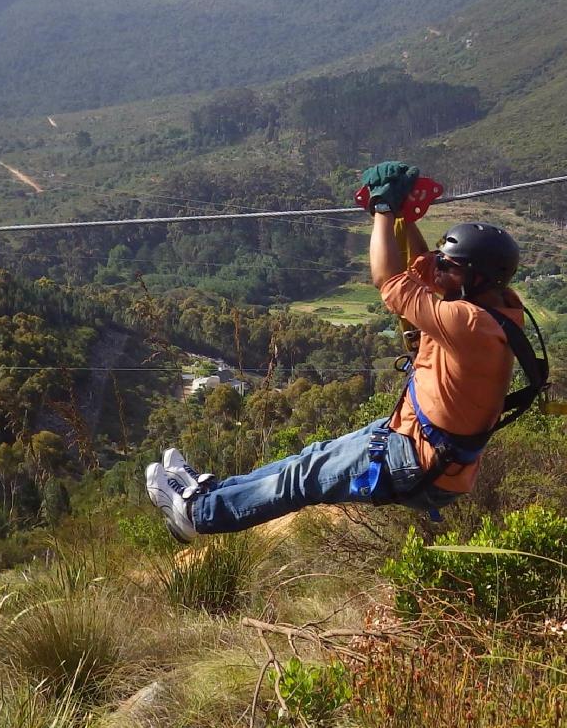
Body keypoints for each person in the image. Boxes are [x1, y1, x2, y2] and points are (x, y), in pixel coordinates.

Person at [145, 168, 535, 543]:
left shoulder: (467, 322)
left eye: (449, 265)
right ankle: (206, 495)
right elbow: (425, 271)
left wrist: (383, 210)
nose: (437, 268)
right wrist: (406, 219)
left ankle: (197, 515)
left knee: (303, 478)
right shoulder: (498, 305)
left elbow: (389, 281)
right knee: (308, 459)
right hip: (419, 442)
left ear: (475, 277)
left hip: (421, 461)